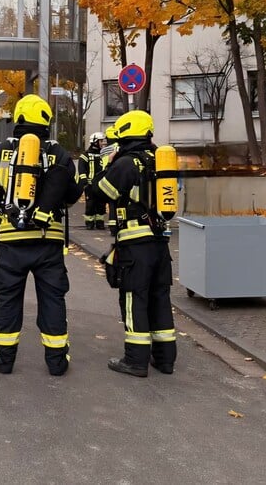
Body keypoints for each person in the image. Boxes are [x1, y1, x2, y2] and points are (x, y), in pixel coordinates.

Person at [0, 94, 82, 376]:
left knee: (7, 298)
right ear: (46, 121)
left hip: (11, 240)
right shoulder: (59, 153)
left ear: (17, 118)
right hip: (49, 241)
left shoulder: (1, 150)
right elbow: (72, 195)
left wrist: (5, 203)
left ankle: (4, 360)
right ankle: (57, 362)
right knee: (53, 299)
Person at [87, 110, 177, 377]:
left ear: (126, 133)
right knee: (159, 297)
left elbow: (99, 192)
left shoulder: (127, 162)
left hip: (135, 246)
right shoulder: (159, 159)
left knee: (134, 299)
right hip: (160, 244)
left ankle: (135, 360)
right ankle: (165, 359)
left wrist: (108, 165)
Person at [78, 131, 108, 229]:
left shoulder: (103, 155)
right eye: (100, 141)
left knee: (101, 204)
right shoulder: (85, 155)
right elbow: (81, 169)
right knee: (90, 204)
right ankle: (89, 223)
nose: (102, 143)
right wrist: (84, 182)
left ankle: (100, 222)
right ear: (95, 142)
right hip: (90, 185)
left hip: (101, 184)